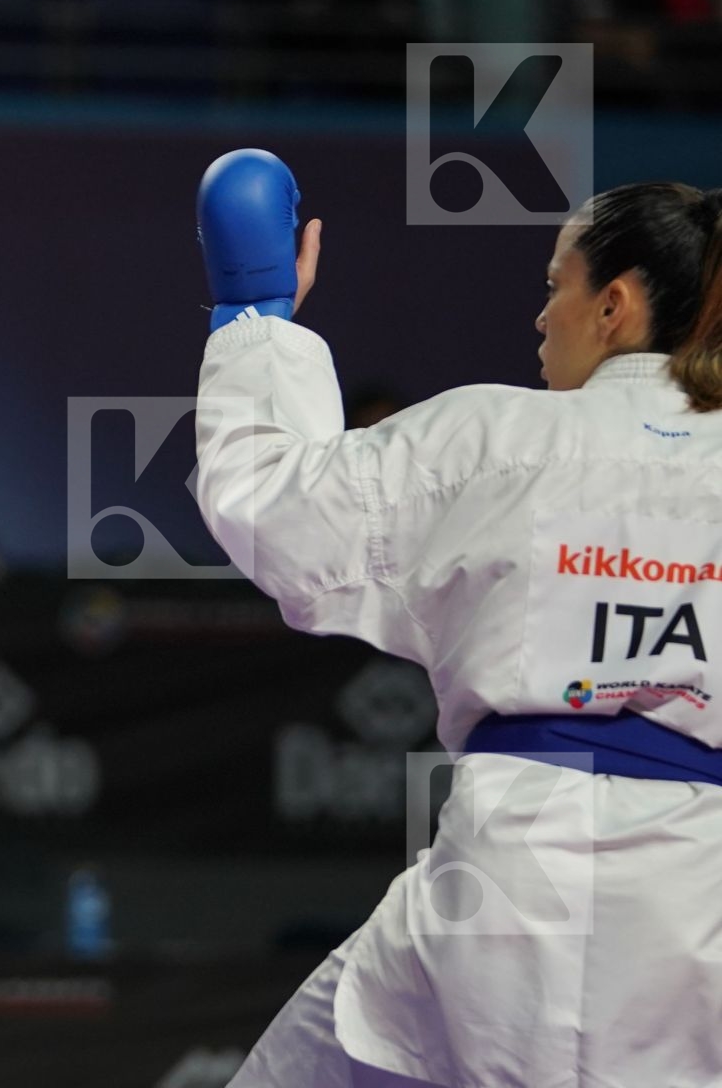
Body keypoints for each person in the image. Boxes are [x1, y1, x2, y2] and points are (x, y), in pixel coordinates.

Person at [195, 153, 722, 1086]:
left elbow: (281, 513)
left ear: (616, 305)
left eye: (556, 285)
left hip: (518, 868)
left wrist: (258, 313)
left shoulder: (498, 438)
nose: (539, 313)